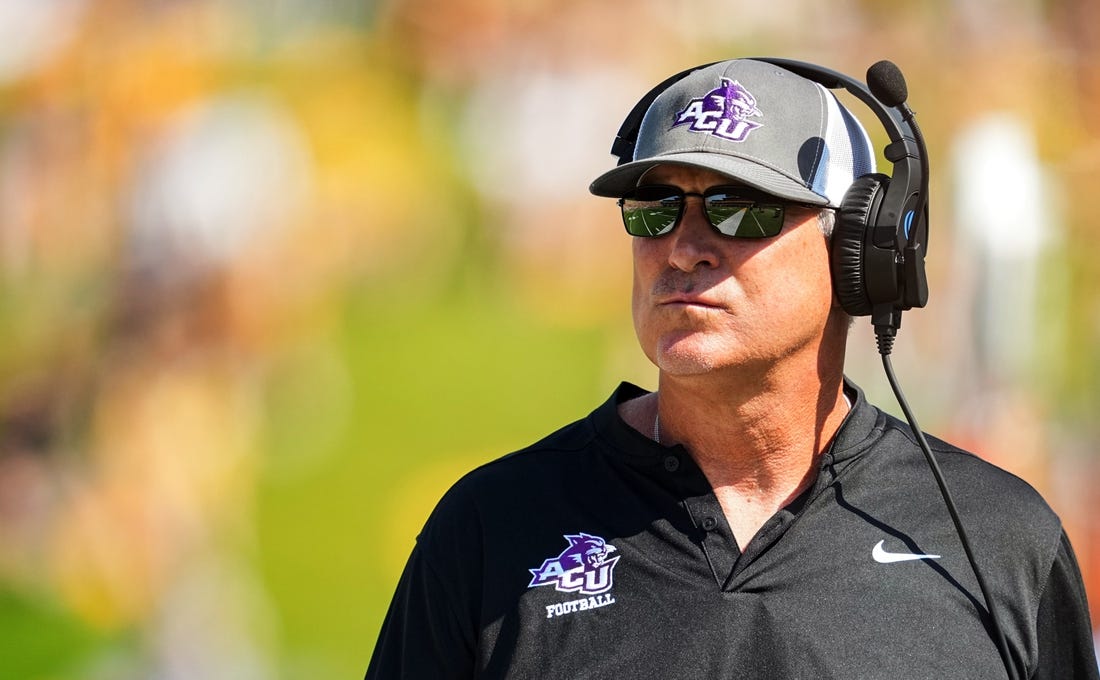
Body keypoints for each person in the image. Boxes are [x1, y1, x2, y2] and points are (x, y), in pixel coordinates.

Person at [365, 58, 1099, 679]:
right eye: (655, 208)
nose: (684, 248)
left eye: (739, 207)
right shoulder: (493, 529)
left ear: (864, 255)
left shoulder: (1000, 540)